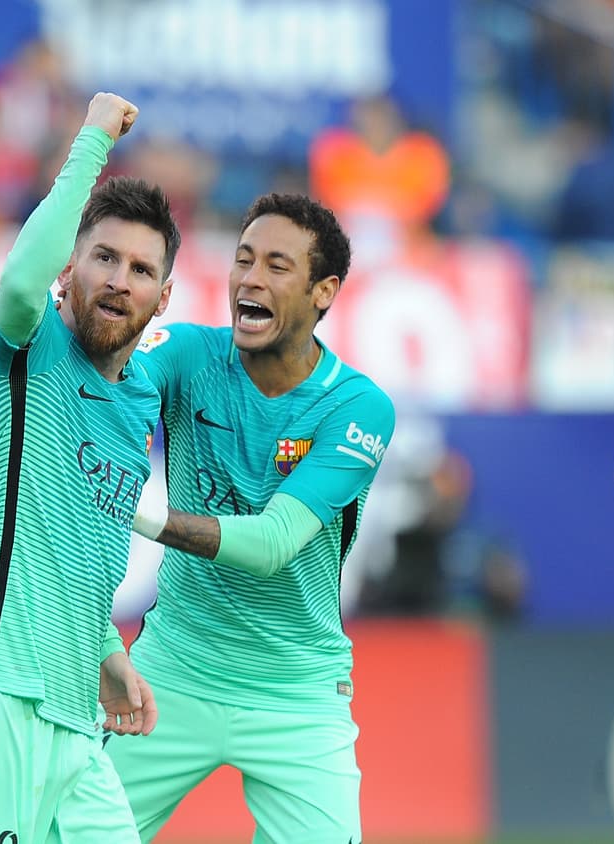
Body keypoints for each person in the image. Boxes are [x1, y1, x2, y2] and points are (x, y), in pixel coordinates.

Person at [0, 92, 180, 844]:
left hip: (75, 725)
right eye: (103, 258)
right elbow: (19, 284)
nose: (120, 279)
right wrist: (91, 142)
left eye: (140, 268)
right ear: (67, 271)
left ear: (164, 295)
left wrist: (105, 654)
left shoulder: (135, 406)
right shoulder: (26, 347)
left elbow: (75, 550)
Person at [100, 192, 395, 843]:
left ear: (324, 291)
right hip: (171, 673)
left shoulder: (358, 407)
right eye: (243, 259)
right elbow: (111, 384)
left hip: (297, 697)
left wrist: (138, 510)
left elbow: (272, 544)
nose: (251, 279)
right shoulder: (183, 352)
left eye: (277, 266)